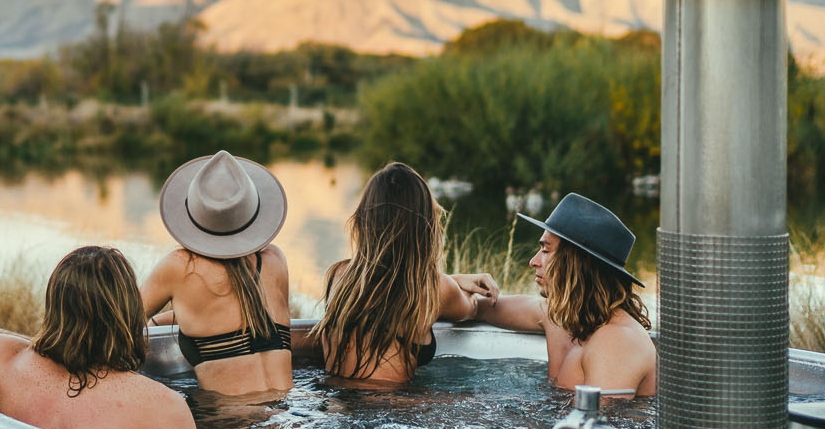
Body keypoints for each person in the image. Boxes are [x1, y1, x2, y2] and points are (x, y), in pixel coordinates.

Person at [0, 245, 195, 429]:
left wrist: (28, 345)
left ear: (54, 306)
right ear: (127, 312)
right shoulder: (164, 406)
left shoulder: (7, 362)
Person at [307, 161, 501, 383]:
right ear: (424, 226)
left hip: (336, 403)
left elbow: (383, 288)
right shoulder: (433, 288)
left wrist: (454, 280)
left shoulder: (337, 275)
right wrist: (456, 282)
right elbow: (470, 309)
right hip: (395, 409)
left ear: (365, 219)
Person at [139, 150, 294, 396]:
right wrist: (164, 320)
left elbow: (120, 322)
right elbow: (237, 317)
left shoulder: (180, 266)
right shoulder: (275, 260)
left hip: (228, 426)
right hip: (289, 417)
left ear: (195, 213)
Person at [475, 192, 657, 395]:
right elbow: (477, 307)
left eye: (545, 251)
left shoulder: (617, 342)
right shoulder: (559, 316)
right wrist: (459, 281)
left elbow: (595, 425)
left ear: (576, 264)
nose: (533, 261)